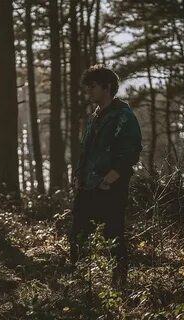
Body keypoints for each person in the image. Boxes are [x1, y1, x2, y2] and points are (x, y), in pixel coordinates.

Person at [70, 65, 142, 287]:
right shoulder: (94, 117)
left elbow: (131, 151)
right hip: (87, 186)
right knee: (77, 234)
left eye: (93, 87)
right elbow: (86, 150)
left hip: (111, 188)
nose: (89, 92)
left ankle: (119, 285)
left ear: (107, 87)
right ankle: (78, 285)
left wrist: (110, 178)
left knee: (114, 236)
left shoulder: (123, 116)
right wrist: (78, 176)